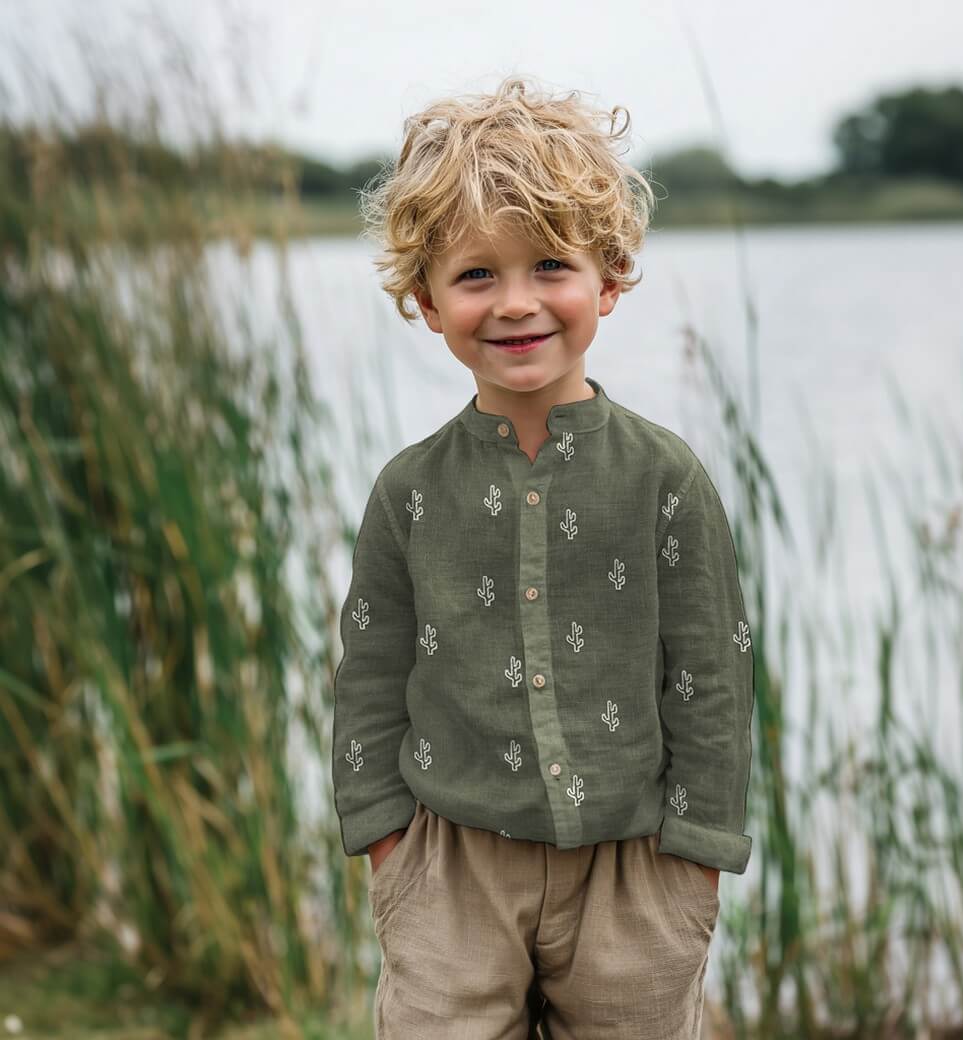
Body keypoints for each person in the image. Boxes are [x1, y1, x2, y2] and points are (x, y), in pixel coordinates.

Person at [331, 75, 754, 1040]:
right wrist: (386, 842)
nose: (516, 304)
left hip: (636, 869)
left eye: (551, 265)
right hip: (448, 866)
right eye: (476, 275)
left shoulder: (666, 477)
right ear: (426, 301)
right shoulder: (407, 490)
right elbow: (369, 672)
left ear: (610, 279)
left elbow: (711, 672)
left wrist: (695, 858)